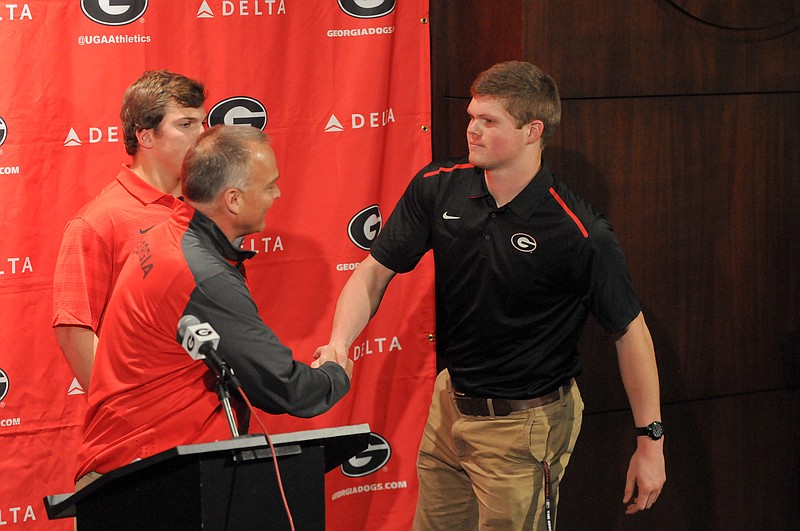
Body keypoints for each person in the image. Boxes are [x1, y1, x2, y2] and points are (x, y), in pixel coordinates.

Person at [314, 61, 666, 529]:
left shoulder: (578, 231)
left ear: (531, 131)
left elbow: (630, 331)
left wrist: (650, 443)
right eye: (471, 117)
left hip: (524, 426)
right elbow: (372, 273)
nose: (471, 131)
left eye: (489, 121)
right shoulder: (439, 186)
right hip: (450, 405)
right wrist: (340, 342)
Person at [76, 125, 352, 486]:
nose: (277, 194)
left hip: (137, 469)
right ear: (233, 200)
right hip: (148, 480)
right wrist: (335, 373)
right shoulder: (203, 275)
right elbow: (281, 385)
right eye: (269, 185)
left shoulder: (167, 236)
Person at [53, 70, 207, 390]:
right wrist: (125, 405)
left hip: (217, 410)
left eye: (203, 123)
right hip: (149, 423)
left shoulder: (209, 208)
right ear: (146, 136)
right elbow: (74, 328)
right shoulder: (98, 221)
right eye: (186, 124)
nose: (203, 135)